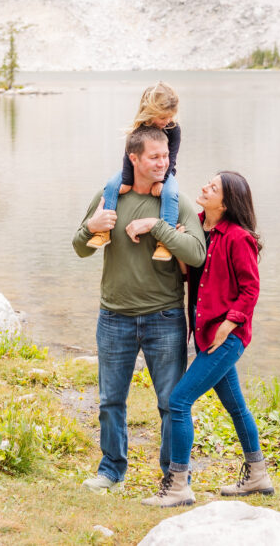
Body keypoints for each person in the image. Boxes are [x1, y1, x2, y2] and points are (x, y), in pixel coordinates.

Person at [73, 125, 206, 493]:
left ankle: (174, 475)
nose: (163, 163)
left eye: (166, 156)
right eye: (154, 157)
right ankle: (111, 471)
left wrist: (161, 229)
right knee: (110, 401)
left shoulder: (178, 202)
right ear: (134, 158)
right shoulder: (111, 196)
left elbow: (197, 255)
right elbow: (80, 247)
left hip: (165, 317)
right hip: (114, 315)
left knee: (170, 403)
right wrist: (91, 226)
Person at [142, 171, 273, 507]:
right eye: (208, 183)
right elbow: (193, 276)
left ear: (226, 202)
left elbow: (250, 289)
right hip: (204, 334)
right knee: (236, 406)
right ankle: (258, 475)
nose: (204, 187)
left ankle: (178, 486)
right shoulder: (198, 227)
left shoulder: (238, 237)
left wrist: (229, 326)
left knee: (179, 401)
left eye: (213, 188)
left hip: (225, 337)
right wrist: (181, 244)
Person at [86, 82, 182, 262]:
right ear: (150, 112)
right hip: (136, 171)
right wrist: (127, 181)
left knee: (170, 193)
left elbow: (172, 158)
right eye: (163, 116)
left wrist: (162, 181)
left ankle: (165, 241)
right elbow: (127, 156)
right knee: (112, 185)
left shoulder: (173, 129)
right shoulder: (138, 129)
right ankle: (103, 230)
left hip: (165, 172)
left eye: (171, 116)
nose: (167, 120)